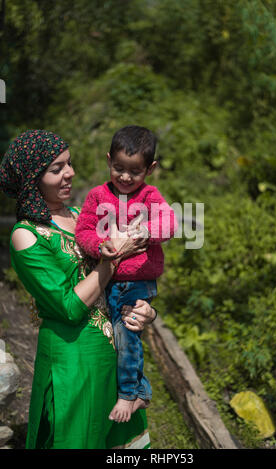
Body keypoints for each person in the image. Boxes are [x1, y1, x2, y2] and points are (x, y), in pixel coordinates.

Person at [0, 129, 157, 449]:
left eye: (68, 164)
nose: (70, 173)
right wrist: (111, 261)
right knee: (78, 438)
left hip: (112, 356)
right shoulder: (27, 236)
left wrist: (146, 311)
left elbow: (124, 280)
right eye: (56, 169)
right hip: (73, 359)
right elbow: (69, 307)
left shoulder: (77, 215)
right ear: (32, 179)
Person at [75, 125, 177, 424]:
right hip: (107, 279)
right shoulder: (97, 196)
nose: (125, 177)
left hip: (137, 281)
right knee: (111, 338)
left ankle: (129, 393)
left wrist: (148, 231)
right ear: (109, 160)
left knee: (126, 333)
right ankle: (141, 390)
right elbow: (83, 230)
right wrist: (99, 247)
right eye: (119, 168)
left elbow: (170, 223)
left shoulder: (150, 196)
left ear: (150, 169)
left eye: (135, 171)